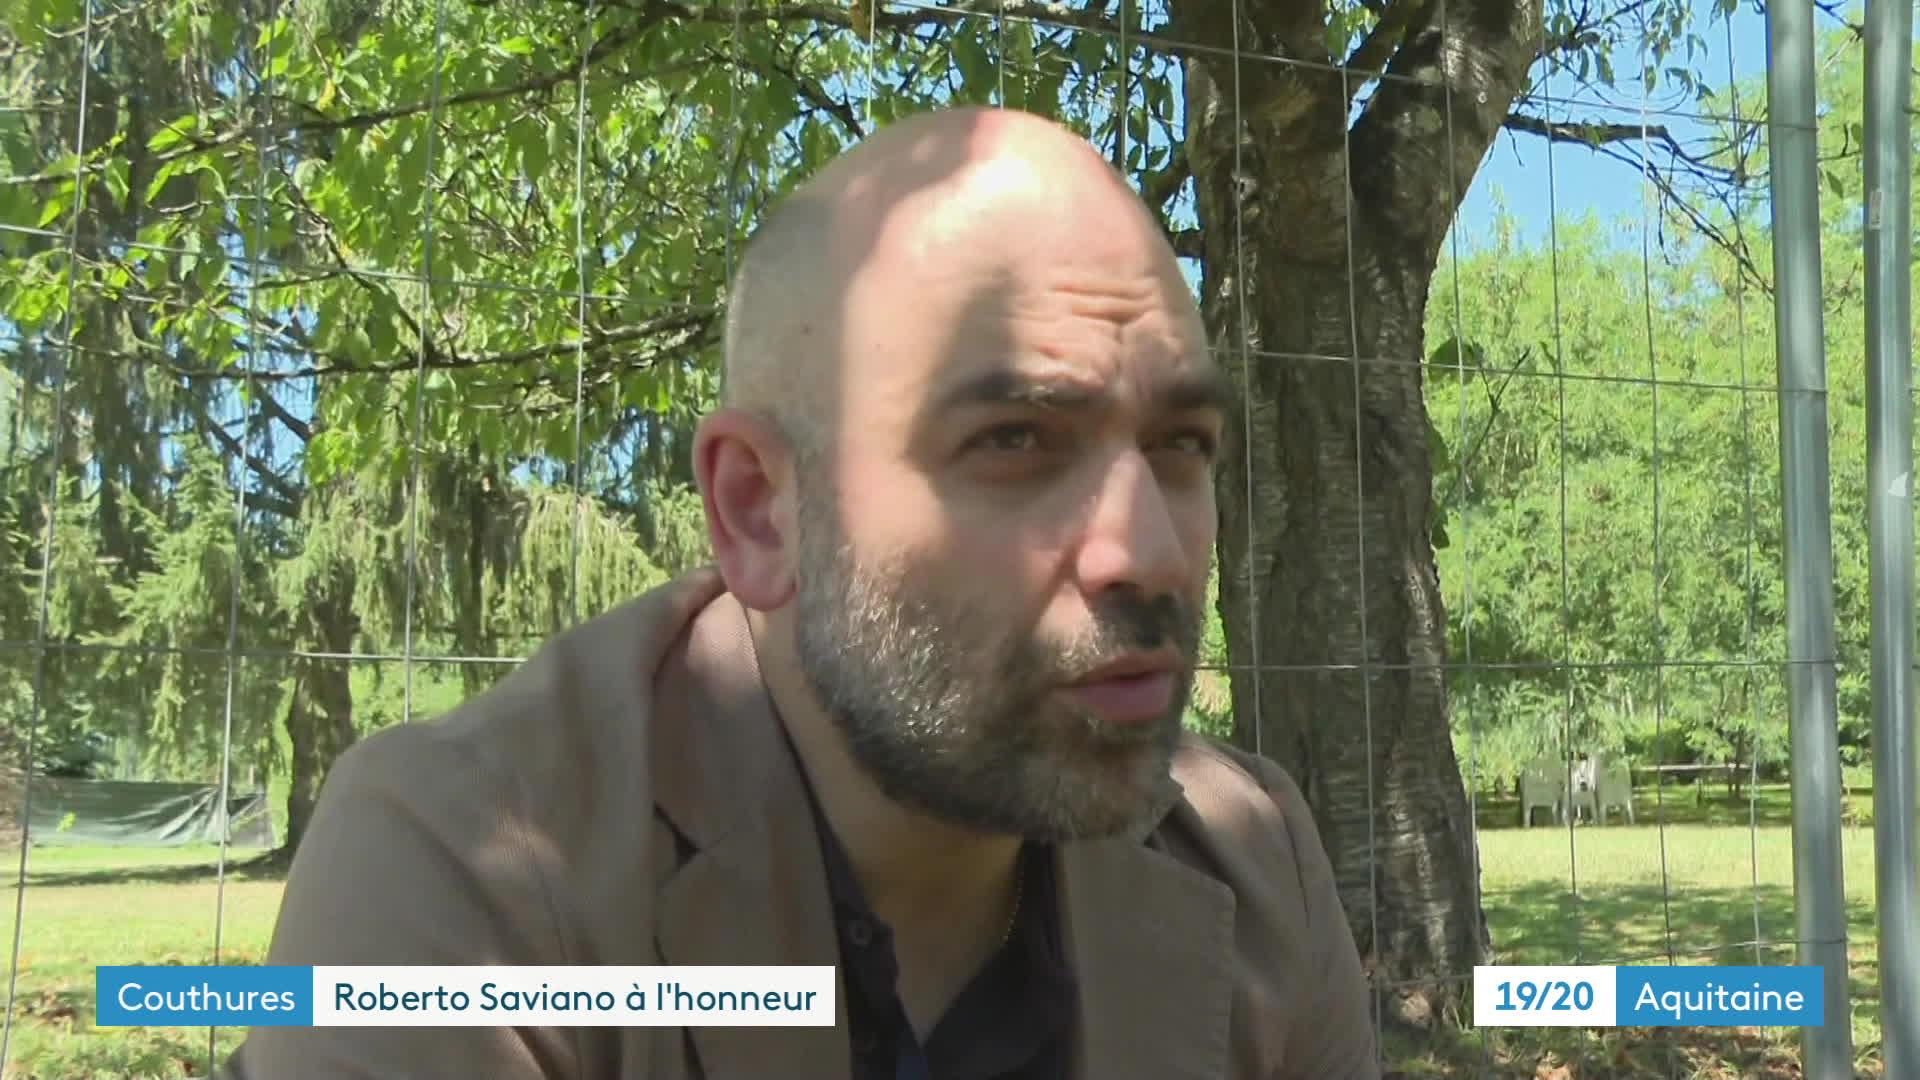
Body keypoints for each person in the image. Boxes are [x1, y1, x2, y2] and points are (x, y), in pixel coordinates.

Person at [220, 105, 1377, 1079]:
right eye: (1017, 440)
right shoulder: (466, 873)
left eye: (1180, 444)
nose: (1153, 554)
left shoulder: (1249, 863)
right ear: (761, 513)